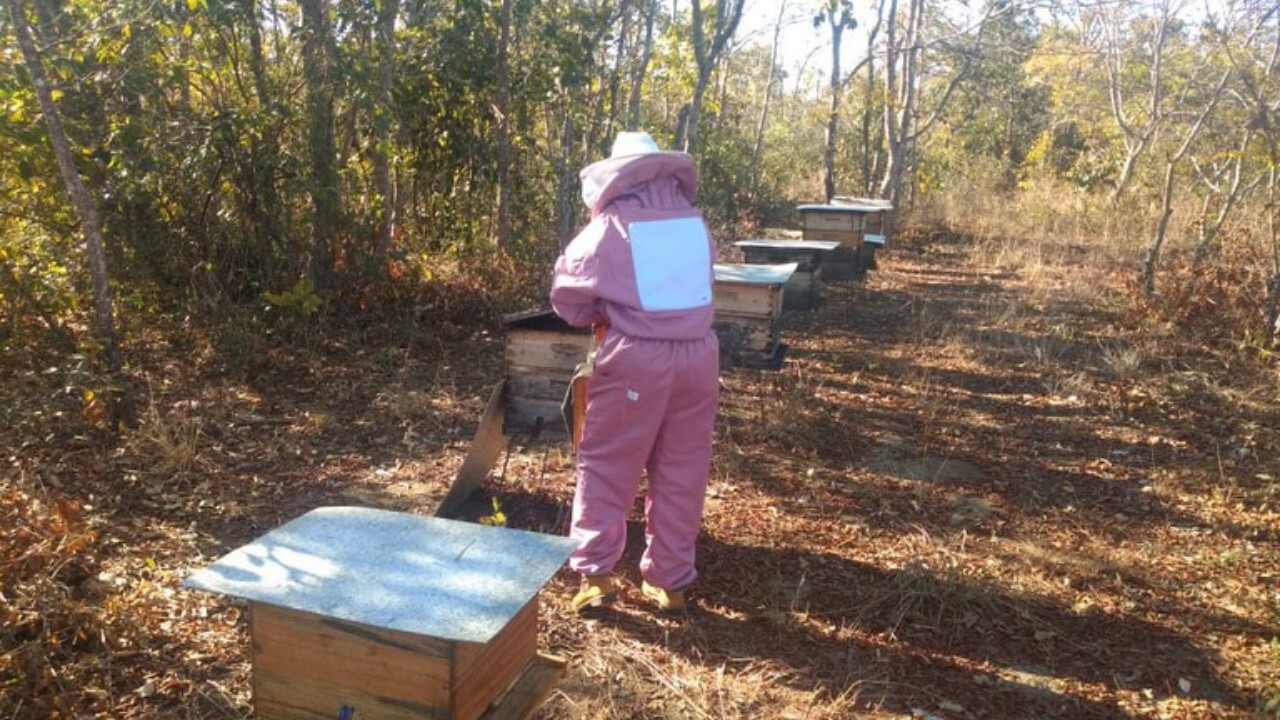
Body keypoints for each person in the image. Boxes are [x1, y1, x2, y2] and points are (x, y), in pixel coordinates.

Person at [550, 131, 720, 613]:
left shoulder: (612, 225)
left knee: (607, 466)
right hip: (699, 357)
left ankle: (596, 576)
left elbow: (567, 296)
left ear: (617, 176)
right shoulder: (694, 224)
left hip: (636, 360)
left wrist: (602, 308)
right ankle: (669, 582)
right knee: (682, 468)